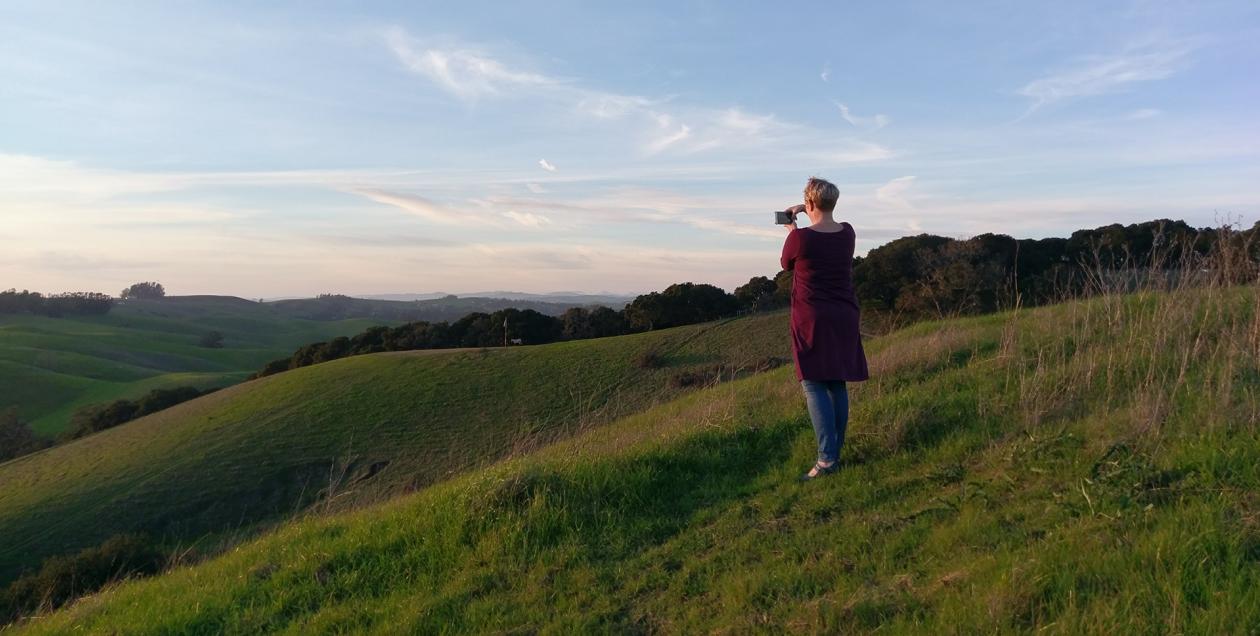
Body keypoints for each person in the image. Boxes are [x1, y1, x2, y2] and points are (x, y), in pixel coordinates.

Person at [780, 177, 869, 481]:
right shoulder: (847, 233)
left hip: (812, 317)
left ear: (809, 204)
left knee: (814, 383)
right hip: (844, 314)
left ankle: (827, 460)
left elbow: (786, 263)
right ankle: (834, 453)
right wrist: (808, 209)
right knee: (836, 383)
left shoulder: (800, 238)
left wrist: (793, 226)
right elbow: (825, 226)